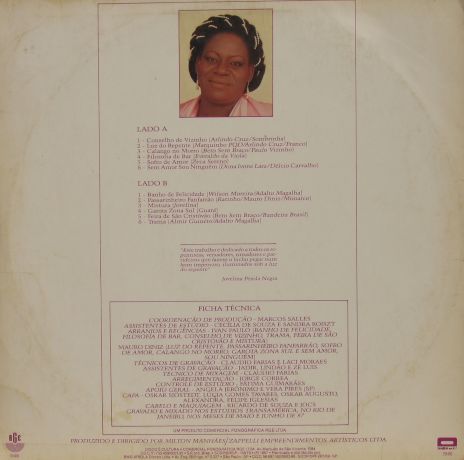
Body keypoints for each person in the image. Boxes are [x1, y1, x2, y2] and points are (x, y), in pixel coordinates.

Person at [180, 14, 272, 117]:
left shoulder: (271, 115)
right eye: (211, 59)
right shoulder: (172, 114)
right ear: (197, 64)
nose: (221, 70)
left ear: (250, 73)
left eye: (235, 63)